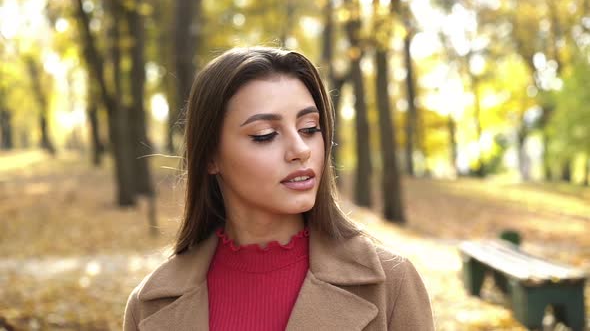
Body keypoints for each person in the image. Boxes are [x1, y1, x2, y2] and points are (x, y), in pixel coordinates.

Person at [123, 47, 434, 331]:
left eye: (310, 129)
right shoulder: (150, 305)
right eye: (265, 134)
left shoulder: (391, 284)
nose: (301, 149)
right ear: (210, 157)